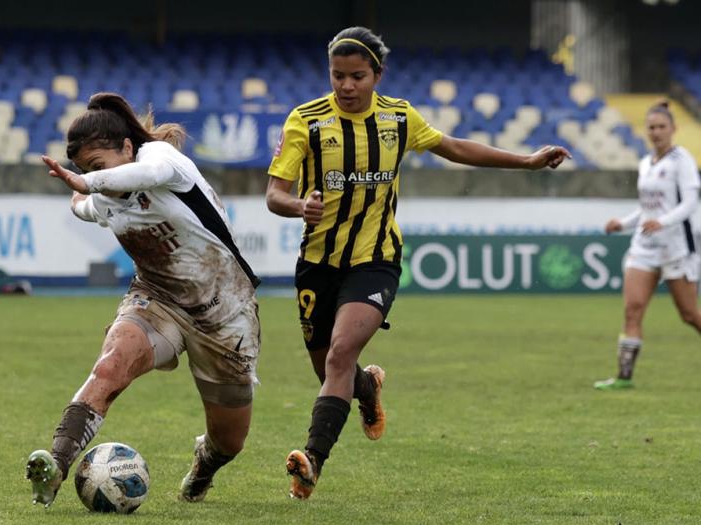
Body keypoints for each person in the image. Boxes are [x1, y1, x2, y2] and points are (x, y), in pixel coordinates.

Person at [265, 26, 571, 499]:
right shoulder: (304, 121)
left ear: (377, 75)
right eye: (337, 76)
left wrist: (526, 162)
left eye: (357, 76)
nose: (346, 86)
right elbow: (274, 195)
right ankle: (367, 389)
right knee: (331, 368)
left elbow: (455, 147)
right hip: (317, 264)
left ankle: (311, 463)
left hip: (377, 259)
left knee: (341, 353)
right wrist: (297, 206)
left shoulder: (399, 117)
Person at [26, 92, 261, 506]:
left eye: (98, 165)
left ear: (128, 148)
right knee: (110, 366)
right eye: (85, 169)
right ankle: (57, 465)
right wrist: (81, 192)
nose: (93, 177)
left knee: (230, 440)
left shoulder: (164, 161)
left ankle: (205, 464)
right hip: (155, 301)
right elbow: (83, 204)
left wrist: (86, 182)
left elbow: (131, 179)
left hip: (224, 313)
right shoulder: (103, 200)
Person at [594, 100, 701, 390]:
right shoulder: (645, 163)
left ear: (673, 129)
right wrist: (623, 223)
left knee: (690, 315)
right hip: (644, 245)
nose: (656, 132)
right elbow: (647, 208)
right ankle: (623, 377)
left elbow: (690, 203)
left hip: (676, 246)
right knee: (633, 309)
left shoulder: (683, 161)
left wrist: (664, 222)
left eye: (661, 127)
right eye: (651, 127)